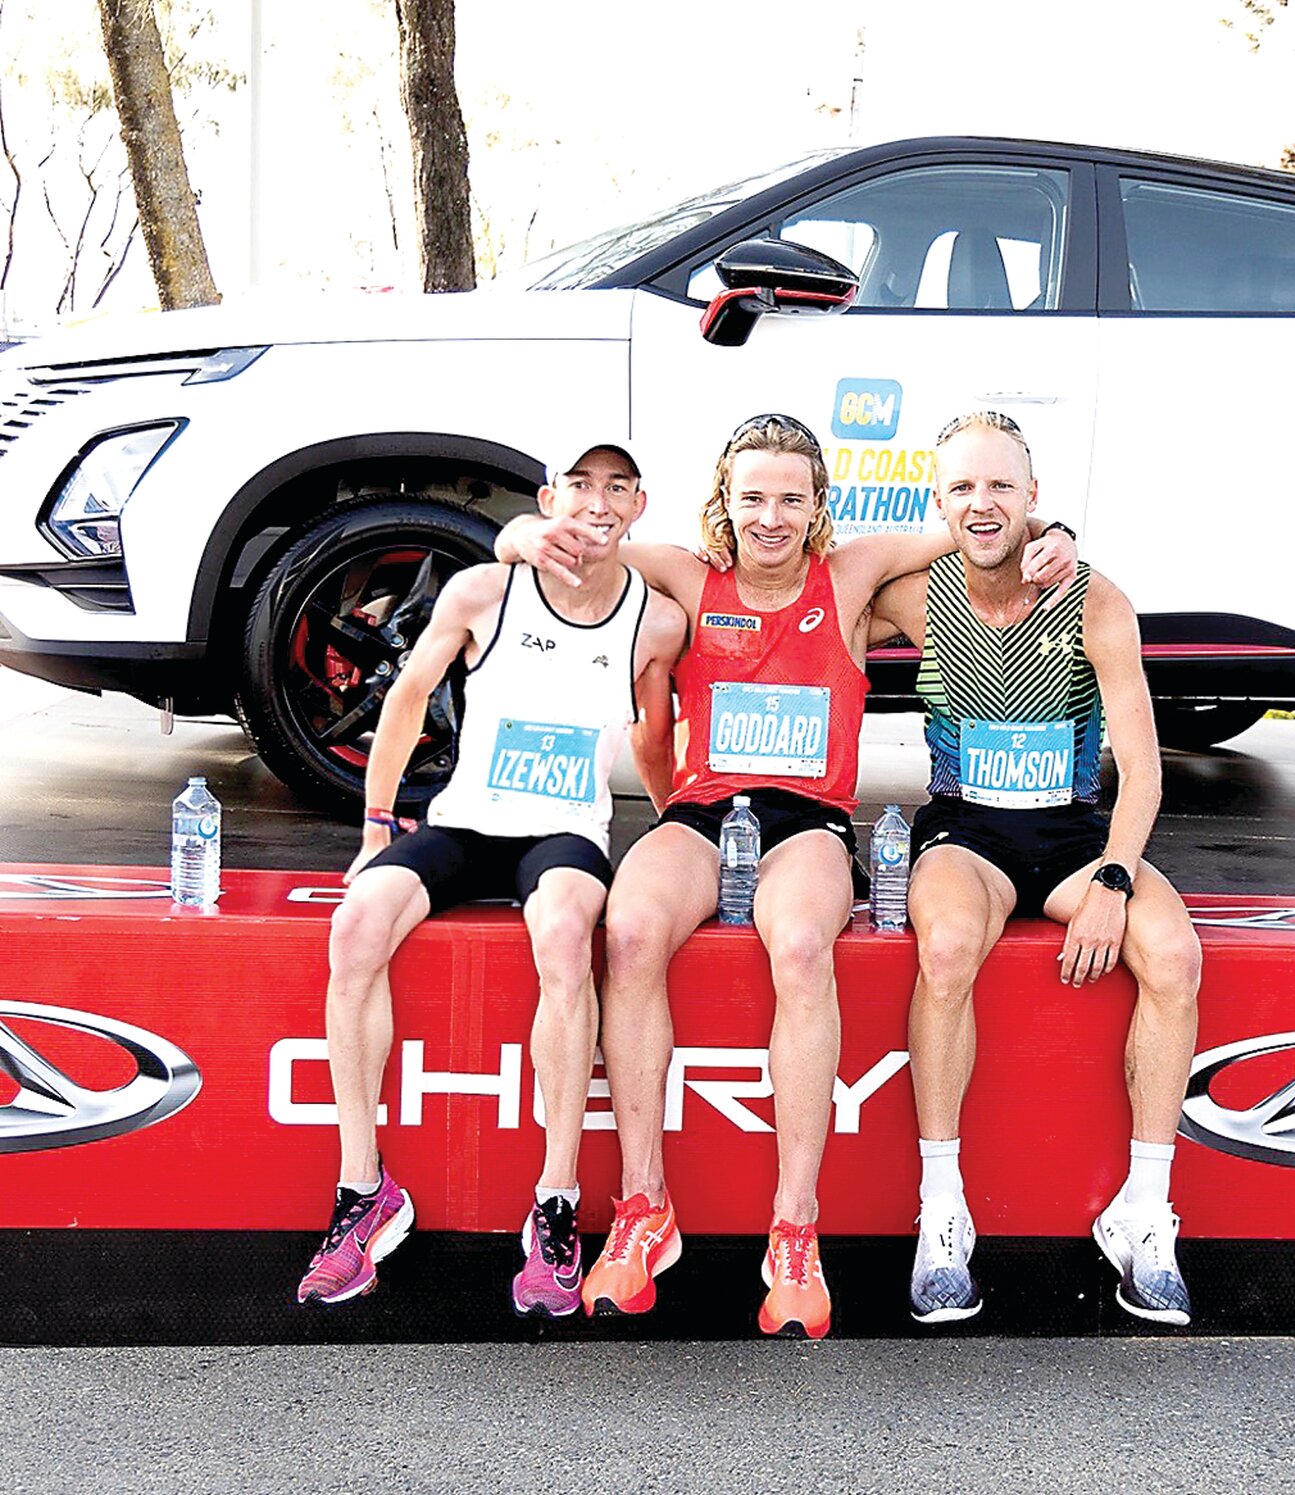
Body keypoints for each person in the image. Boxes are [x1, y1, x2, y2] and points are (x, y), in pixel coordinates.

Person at [497, 413, 1076, 1338]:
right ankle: (645, 1207)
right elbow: (575, 548)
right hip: (700, 812)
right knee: (632, 928)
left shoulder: (848, 577)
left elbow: (981, 527)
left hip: (806, 820)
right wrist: (520, 532)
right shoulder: (690, 575)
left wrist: (1054, 536)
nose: (771, 516)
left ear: (817, 510)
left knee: (804, 943)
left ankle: (794, 1228)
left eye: (792, 499)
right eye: (753, 496)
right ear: (724, 501)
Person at [295, 442, 685, 1318]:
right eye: (580, 483)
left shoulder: (653, 621)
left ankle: (555, 1204)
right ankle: (364, 1192)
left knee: (562, 934)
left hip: (563, 834)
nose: (597, 500)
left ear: (639, 503)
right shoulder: (483, 590)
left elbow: (657, 737)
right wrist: (375, 822)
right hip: (465, 823)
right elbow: (407, 696)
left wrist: (676, 825)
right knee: (357, 925)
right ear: (550, 497)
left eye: (617, 485)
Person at [869, 410, 1202, 1327]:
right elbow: (804, 591)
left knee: (1173, 954)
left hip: (1071, 836)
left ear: (1035, 497)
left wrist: (1114, 879)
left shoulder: (1094, 600)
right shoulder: (914, 595)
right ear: (939, 503)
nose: (983, 504)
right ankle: (944, 1207)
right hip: (967, 834)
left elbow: (1143, 769)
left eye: (1000, 486)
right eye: (963, 488)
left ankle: (1142, 1210)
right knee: (945, 949)